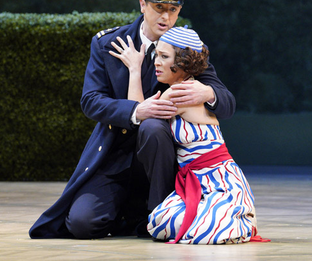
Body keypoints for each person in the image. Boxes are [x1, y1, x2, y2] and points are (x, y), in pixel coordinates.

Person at [29, 0, 236, 239]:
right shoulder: (107, 43)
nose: (166, 18)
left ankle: (160, 213)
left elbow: (227, 103)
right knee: (82, 224)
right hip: (115, 155)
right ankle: (132, 215)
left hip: (164, 161)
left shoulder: (187, 48)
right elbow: (91, 101)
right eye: (159, 8)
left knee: (152, 127)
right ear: (142, 5)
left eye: (173, 10)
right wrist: (136, 111)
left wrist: (207, 91)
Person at [110, 27, 265, 244]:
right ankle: (232, 217)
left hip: (214, 179)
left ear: (183, 62)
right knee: (163, 221)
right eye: (157, 55)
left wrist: (134, 69)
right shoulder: (190, 86)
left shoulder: (180, 92)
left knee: (160, 223)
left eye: (164, 57)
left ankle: (230, 220)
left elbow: (141, 111)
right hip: (205, 178)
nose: (156, 61)